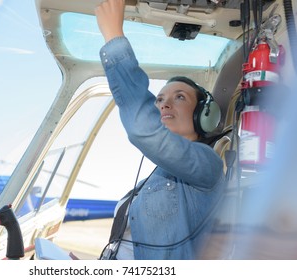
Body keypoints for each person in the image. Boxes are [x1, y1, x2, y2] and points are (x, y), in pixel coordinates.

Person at [95, 0, 226, 260]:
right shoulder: (148, 182)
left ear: (204, 116)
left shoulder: (207, 165)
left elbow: (142, 127)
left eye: (179, 97)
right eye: (160, 98)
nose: (164, 103)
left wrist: (114, 37)